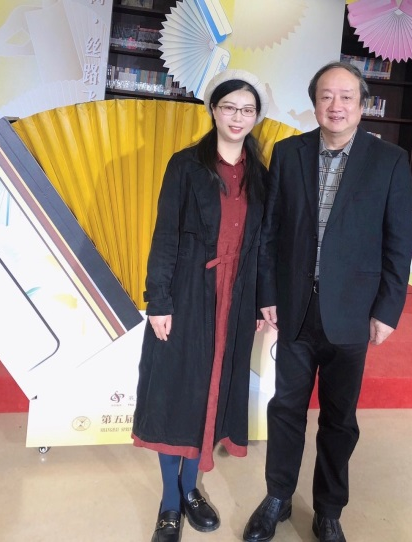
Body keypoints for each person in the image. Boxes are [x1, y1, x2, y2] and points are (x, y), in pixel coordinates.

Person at [243, 61, 412, 542]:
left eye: (346, 97)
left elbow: (398, 242)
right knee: (286, 409)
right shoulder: (289, 153)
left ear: (362, 105)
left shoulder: (389, 161)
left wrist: (387, 309)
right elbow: (270, 231)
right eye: (325, 96)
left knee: (340, 418)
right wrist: (267, 293)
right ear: (314, 103)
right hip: (295, 307)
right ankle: (277, 496)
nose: (335, 106)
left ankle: (328, 509)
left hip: (353, 311)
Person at [132, 69, 269, 542]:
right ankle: (170, 502)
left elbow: (263, 245)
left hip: (236, 298)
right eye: (229, 107)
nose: (238, 117)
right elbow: (165, 235)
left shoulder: (260, 175)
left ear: (256, 117)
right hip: (188, 293)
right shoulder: (186, 165)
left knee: (213, 392)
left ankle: (191, 487)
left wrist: (261, 301)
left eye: (247, 110)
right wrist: (159, 300)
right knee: (176, 393)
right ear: (213, 110)